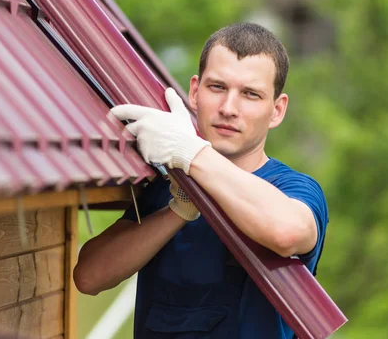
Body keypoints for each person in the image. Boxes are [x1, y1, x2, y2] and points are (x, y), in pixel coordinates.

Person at [74, 23, 329, 338]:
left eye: (250, 94)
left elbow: (288, 232)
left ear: (277, 110)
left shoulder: (294, 190)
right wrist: (178, 210)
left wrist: (192, 153)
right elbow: (89, 277)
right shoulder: (165, 188)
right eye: (217, 87)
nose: (228, 108)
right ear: (195, 92)